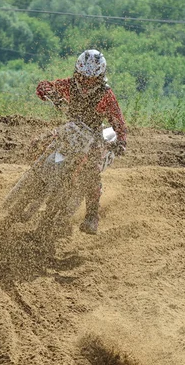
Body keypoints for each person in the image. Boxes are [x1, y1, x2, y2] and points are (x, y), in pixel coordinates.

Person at [35, 49, 127, 234]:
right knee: (39, 142)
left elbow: (118, 120)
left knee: (91, 172)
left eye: (90, 79)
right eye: (82, 76)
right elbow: (45, 86)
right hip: (70, 130)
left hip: (93, 137)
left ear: (100, 77)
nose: (85, 82)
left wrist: (121, 141)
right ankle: (33, 180)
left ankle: (92, 216)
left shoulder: (106, 95)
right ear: (77, 71)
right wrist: (46, 91)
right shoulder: (70, 85)